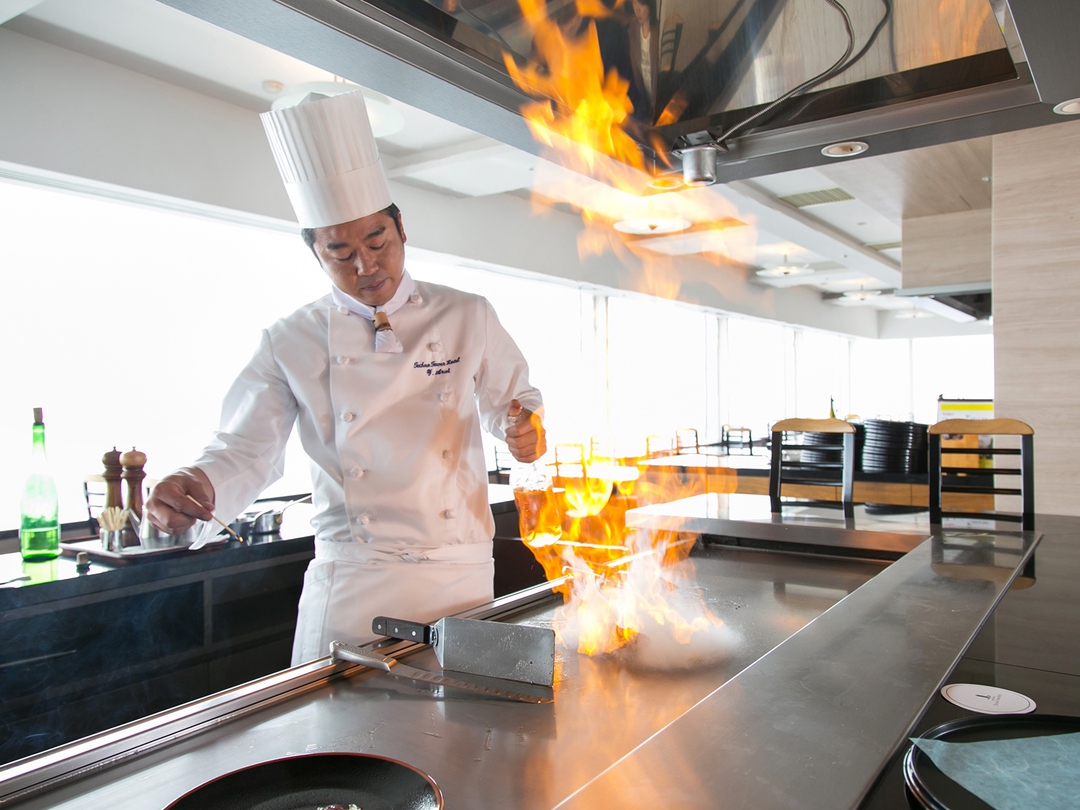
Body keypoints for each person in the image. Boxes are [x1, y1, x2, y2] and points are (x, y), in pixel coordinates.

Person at [145, 90, 546, 665]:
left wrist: (522, 430)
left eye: (376, 242)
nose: (366, 266)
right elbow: (244, 447)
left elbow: (513, 405)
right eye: (340, 252)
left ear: (401, 228)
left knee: (461, 740)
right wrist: (199, 483)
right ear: (314, 252)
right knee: (333, 744)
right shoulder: (289, 338)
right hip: (354, 577)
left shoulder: (467, 313)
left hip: (457, 572)